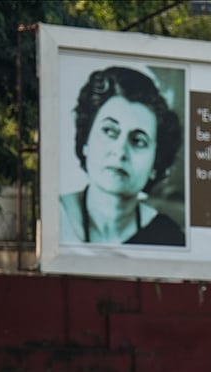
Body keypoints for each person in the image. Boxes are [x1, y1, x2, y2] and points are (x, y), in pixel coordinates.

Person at [60, 66, 184, 246]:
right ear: (85, 140)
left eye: (138, 141)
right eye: (109, 131)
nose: (120, 151)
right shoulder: (55, 218)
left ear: (155, 165)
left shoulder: (169, 238)